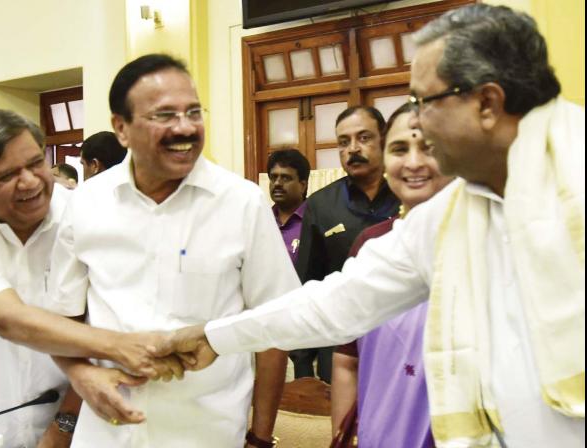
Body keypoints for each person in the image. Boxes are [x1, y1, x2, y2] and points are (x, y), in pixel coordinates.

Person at [161, 4, 585, 447]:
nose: (415, 121)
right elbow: (341, 301)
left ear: (488, 103)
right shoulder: (454, 215)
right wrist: (215, 334)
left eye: (425, 102)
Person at [48, 54, 299, 448]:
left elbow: (275, 326)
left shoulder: (241, 203)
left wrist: (261, 436)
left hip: (207, 433)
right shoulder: (86, 204)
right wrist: (80, 375)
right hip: (107, 434)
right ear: (121, 128)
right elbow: (63, 320)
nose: (184, 127)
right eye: (164, 115)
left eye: (194, 112)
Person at [0, 109, 181, 447]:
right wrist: (121, 348)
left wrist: (65, 422)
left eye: (35, 164)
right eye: (7, 175)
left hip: (73, 414)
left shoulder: (86, 216)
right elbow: (9, 320)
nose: (30, 181)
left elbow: (101, 318)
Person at [330, 102, 453, 448]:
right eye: (399, 149)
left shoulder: (486, 241)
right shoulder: (371, 246)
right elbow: (346, 357)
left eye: (428, 147)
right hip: (382, 431)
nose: (413, 162)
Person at [291, 106, 400, 381]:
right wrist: (304, 366)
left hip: (402, 343)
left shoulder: (408, 195)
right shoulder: (320, 205)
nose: (353, 149)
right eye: (343, 142)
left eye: (363, 138)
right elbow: (308, 286)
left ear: (384, 140)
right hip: (340, 348)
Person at [267, 149, 310, 267]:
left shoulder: (315, 220)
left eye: (285, 178)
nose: (277, 183)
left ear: (302, 185)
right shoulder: (262, 220)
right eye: (273, 177)